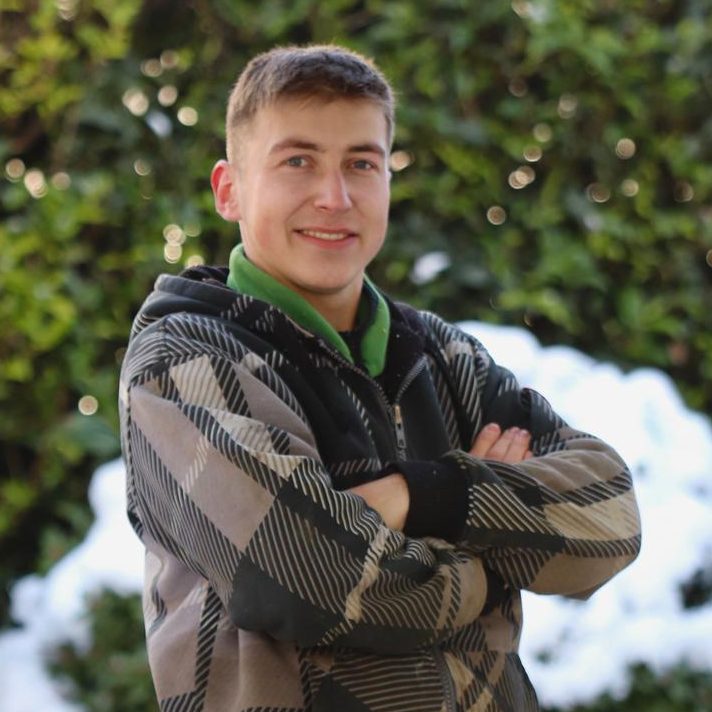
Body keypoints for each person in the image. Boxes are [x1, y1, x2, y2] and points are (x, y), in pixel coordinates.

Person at [119, 44, 641, 712]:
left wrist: (422, 496)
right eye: (298, 161)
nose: (334, 197)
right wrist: (490, 560)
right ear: (230, 190)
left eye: (362, 163)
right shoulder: (183, 360)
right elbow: (306, 579)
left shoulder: (443, 356)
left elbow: (611, 516)